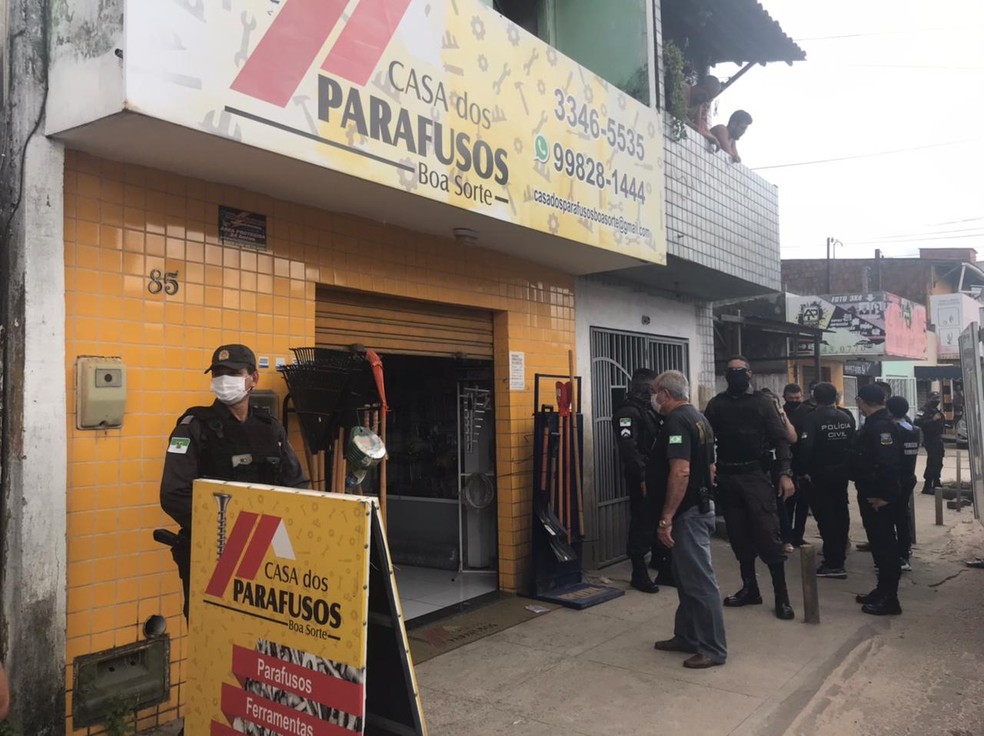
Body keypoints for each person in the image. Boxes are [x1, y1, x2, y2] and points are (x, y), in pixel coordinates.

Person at [160, 344, 309, 619]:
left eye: (233, 372)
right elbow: (174, 494)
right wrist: (228, 531)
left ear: (254, 378)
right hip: (213, 554)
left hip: (265, 555)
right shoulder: (192, 427)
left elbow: (297, 485)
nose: (223, 380)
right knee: (213, 633)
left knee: (259, 632)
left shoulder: (270, 427)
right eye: (218, 373)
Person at [704, 356, 796, 621]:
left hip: (756, 475)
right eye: (731, 371)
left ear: (749, 373)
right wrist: (709, 463)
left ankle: (782, 597)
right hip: (728, 476)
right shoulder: (717, 404)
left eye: (740, 370)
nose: (735, 374)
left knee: (768, 536)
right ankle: (750, 589)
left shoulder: (762, 403)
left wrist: (785, 473)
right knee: (738, 536)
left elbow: (781, 440)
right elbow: (707, 437)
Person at [650, 371, 727, 669]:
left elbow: (681, 471)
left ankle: (713, 648)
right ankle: (686, 636)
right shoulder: (698, 417)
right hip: (699, 505)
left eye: (656, 392)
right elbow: (710, 467)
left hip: (688, 513)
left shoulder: (677, 422)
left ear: (666, 395)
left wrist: (666, 517)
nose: (654, 398)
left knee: (699, 581)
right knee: (685, 578)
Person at [612, 368, 667, 593]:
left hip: (654, 474)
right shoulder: (628, 412)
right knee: (642, 522)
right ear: (643, 387)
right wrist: (643, 476)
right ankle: (638, 573)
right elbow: (629, 448)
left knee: (656, 519)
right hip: (641, 477)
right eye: (653, 387)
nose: (655, 392)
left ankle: (661, 564)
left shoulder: (648, 410)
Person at [850, 384, 903, 615]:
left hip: (879, 499)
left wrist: (887, 497)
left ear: (862, 402)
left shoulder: (882, 427)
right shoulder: (875, 424)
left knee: (886, 548)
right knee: (879, 547)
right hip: (871, 494)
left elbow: (889, 465)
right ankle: (882, 590)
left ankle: (890, 599)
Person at [798, 383, 856, 579]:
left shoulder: (812, 419)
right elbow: (852, 444)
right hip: (841, 474)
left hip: (819, 475)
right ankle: (840, 553)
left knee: (826, 517)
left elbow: (806, 448)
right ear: (836, 397)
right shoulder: (846, 417)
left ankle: (833, 562)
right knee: (841, 512)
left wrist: (802, 471)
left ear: (814, 397)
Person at [887, 396, 919, 572]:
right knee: (902, 516)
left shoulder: (893, 430)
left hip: (896, 479)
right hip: (909, 477)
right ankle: (905, 552)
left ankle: (899, 556)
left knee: (892, 518)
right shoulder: (913, 429)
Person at [782, 383, 815, 548]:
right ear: (785, 398)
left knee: (803, 503)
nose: (795, 401)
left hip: (805, 463)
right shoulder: (780, 412)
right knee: (788, 502)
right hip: (787, 462)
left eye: (797, 398)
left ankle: (798, 536)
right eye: (791, 398)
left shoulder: (808, 412)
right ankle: (786, 537)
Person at [914, 391, 945, 494]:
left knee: (938, 462)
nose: (936, 400)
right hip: (930, 439)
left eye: (938, 398)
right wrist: (932, 419)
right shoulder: (924, 410)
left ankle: (936, 482)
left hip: (938, 438)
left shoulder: (936, 410)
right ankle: (927, 485)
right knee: (932, 462)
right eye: (934, 398)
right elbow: (917, 422)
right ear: (929, 399)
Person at [687, 75, 722, 145]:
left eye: (711, 98)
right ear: (704, 87)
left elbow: (698, 127)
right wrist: (706, 135)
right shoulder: (685, 89)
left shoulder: (698, 104)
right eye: (709, 96)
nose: (708, 100)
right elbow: (681, 117)